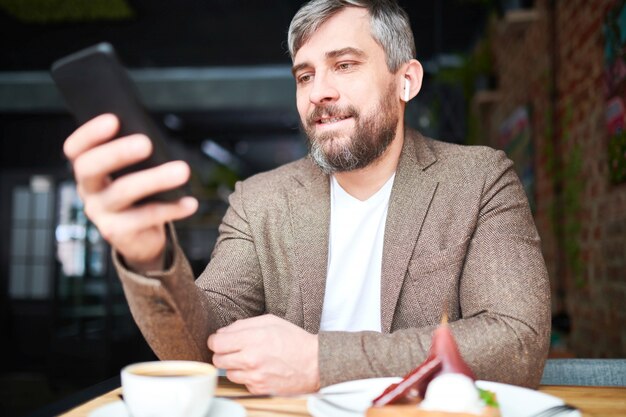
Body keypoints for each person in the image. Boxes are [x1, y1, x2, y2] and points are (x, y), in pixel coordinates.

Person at [63, 0, 550, 395]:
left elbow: (517, 343)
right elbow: (199, 343)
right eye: (305, 75)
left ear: (407, 80)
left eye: (344, 64)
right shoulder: (260, 200)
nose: (319, 91)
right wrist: (149, 256)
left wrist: (322, 362)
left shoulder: (480, 179)